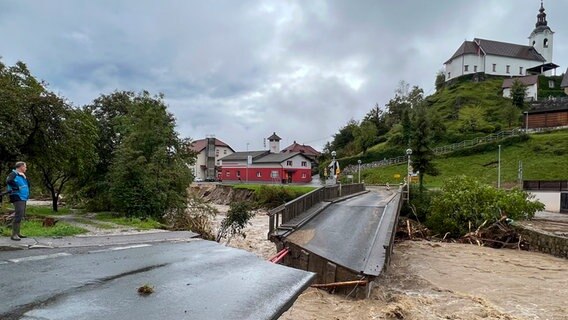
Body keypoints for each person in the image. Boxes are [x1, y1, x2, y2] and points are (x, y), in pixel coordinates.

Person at [6, 162, 29, 241]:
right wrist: (16, 187)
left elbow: (26, 185)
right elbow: (9, 181)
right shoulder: (13, 174)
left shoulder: (21, 175)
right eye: (25, 167)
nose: (26, 168)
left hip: (22, 197)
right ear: (21, 167)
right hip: (17, 196)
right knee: (18, 214)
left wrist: (24, 178)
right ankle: (14, 234)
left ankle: (18, 233)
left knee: (21, 214)